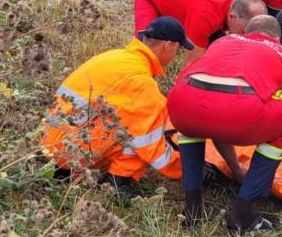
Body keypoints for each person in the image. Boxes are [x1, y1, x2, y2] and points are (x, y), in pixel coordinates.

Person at [167, 15, 282, 233]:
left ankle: (193, 205)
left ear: (245, 32)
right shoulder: (279, 52)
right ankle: (243, 213)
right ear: (276, 37)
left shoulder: (223, 41)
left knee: (194, 124)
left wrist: (234, 167)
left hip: (181, 101)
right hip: (237, 108)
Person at [40, 16, 189, 196]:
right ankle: (118, 183)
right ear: (168, 46)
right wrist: (188, 169)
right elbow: (152, 149)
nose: (175, 56)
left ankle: (67, 171)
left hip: (50, 138)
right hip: (68, 151)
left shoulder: (117, 57)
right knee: (138, 125)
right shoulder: (141, 83)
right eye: (178, 49)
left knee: (132, 116)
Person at [133, 0, 266, 62]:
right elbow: (190, 66)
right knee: (148, 51)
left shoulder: (242, 4)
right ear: (232, 17)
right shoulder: (205, 15)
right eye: (243, 32)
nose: (245, 37)